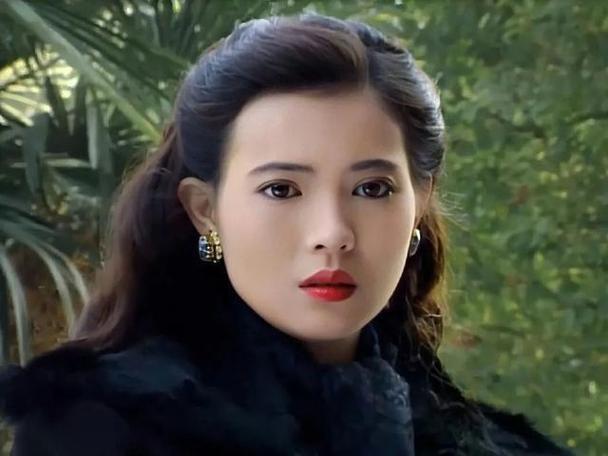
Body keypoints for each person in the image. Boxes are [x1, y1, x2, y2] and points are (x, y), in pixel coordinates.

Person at [0, 13, 572, 456]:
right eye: (281, 189)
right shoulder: (95, 429)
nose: (333, 234)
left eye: (372, 188)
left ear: (418, 206)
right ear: (205, 211)